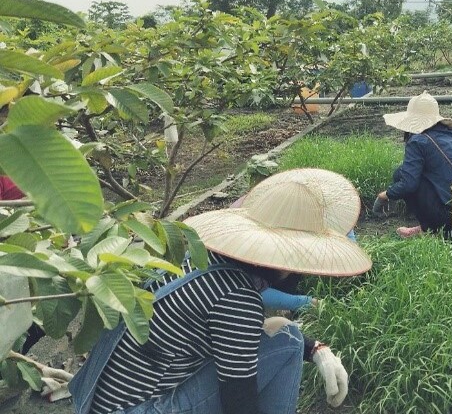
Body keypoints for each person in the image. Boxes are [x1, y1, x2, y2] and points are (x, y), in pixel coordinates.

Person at [69, 169, 372, 414]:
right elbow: (239, 400)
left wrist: (316, 349)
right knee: (288, 340)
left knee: (285, 332)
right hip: (138, 407)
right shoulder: (237, 298)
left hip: (98, 400)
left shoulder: (198, 259)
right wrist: (306, 347)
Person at [230, 168, 360, 313]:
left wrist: (348, 260)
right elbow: (251, 290)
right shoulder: (246, 227)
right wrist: (301, 302)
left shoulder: (311, 205)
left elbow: (344, 230)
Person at [373, 91, 452, 241]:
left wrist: (385, 195)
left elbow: (408, 184)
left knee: (401, 175)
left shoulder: (419, 141)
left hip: (449, 217)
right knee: (412, 173)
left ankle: (431, 228)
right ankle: (431, 227)